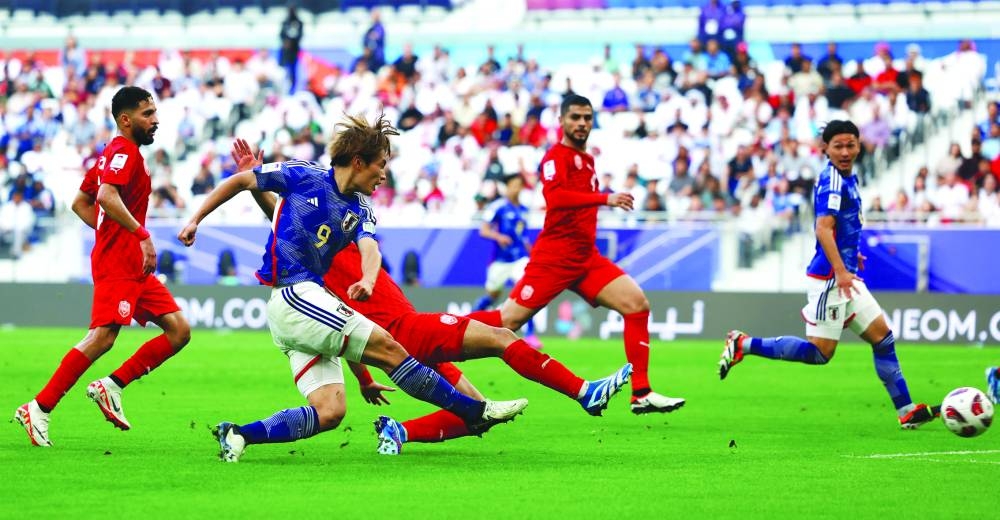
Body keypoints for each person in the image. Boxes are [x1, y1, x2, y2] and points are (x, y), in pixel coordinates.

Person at [177, 118, 528, 462]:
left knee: (330, 411)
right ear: (359, 162)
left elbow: (370, 249)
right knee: (389, 347)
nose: (384, 174)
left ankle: (238, 434)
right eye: (381, 165)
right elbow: (241, 181)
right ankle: (472, 411)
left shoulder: (360, 209)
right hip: (293, 295)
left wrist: (369, 282)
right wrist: (195, 218)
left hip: (304, 308)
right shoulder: (303, 175)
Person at [470, 94, 686, 415]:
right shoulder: (555, 158)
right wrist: (605, 198)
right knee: (507, 321)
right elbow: (556, 199)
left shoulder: (587, 160)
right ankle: (436, 335)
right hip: (555, 257)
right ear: (562, 121)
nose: (582, 123)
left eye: (587, 117)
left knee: (637, 305)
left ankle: (641, 392)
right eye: (575, 117)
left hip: (586, 258)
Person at [718, 120, 937, 429]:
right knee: (821, 353)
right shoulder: (833, 180)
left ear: (860, 145)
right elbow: (823, 229)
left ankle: (907, 410)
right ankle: (744, 344)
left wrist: (850, 254)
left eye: (850, 145)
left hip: (845, 274)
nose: (845, 151)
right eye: (838, 146)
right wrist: (840, 269)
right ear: (825, 149)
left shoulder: (849, 177)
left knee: (883, 338)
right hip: (831, 280)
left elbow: (842, 226)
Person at [14, 86, 192, 447]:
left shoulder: (110, 156)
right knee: (103, 336)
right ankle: (39, 408)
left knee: (178, 331)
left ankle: (110, 386)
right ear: (125, 120)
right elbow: (104, 196)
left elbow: (80, 202)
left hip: (131, 263)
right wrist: (138, 235)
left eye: (155, 112)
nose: (155, 120)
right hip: (120, 263)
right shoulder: (123, 153)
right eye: (147, 114)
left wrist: (111, 232)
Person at [473, 173, 542, 349]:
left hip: (519, 258)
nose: (517, 188)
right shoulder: (498, 207)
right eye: (514, 185)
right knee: (492, 295)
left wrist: (531, 251)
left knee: (527, 290)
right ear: (508, 187)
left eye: (520, 185)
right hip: (500, 260)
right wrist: (498, 236)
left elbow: (523, 236)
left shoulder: (524, 210)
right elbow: (483, 230)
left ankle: (531, 334)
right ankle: (469, 321)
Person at [279, 3, 304, 94]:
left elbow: (300, 35)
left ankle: (293, 90)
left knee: (293, 71)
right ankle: (283, 89)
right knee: (283, 71)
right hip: (285, 52)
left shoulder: (299, 23)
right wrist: (285, 42)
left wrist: (292, 42)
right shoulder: (285, 22)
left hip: (294, 51)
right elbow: (281, 35)